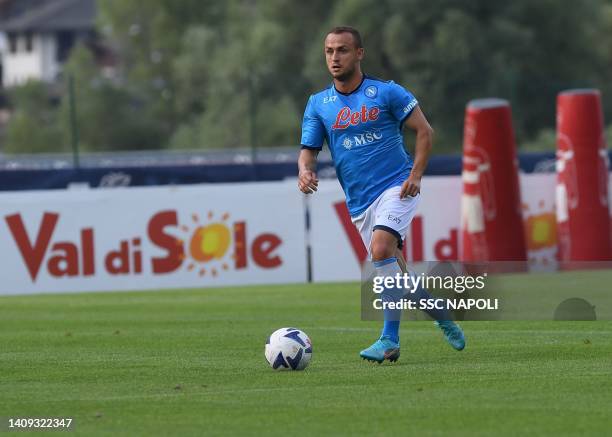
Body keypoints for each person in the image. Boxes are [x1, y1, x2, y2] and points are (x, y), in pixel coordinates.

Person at [298, 26, 465, 363]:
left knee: (381, 249)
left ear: (359, 54)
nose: (334, 57)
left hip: (397, 185)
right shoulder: (319, 104)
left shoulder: (387, 93)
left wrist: (416, 174)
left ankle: (389, 340)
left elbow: (425, 132)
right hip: (360, 202)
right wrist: (305, 170)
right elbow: (308, 151)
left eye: (342, 50)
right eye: (329, 51)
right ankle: (441, 315)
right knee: (398, 273)